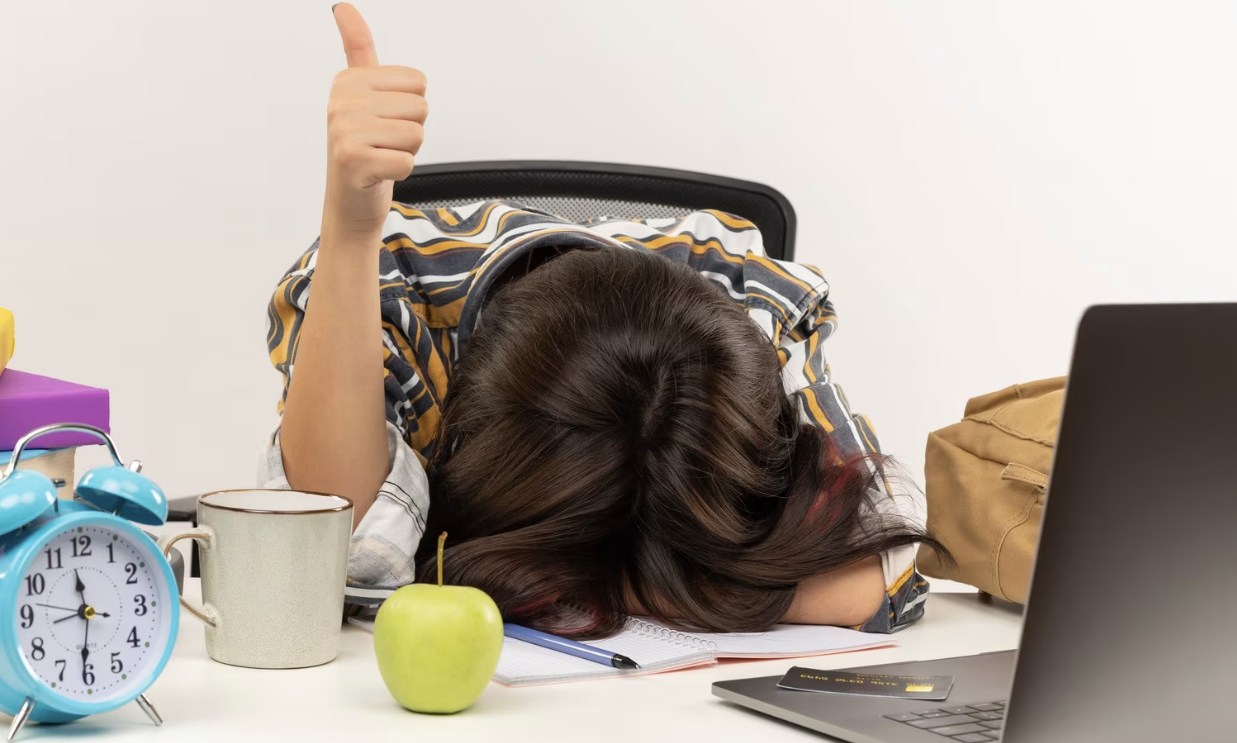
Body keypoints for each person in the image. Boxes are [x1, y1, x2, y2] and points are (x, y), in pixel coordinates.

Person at [259, 4, 943, 639]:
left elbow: (875, 564)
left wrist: (587, 581)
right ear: (474, 437)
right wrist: (350, 233)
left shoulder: (754, 296)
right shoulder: (379, 284)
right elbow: (327, 544)